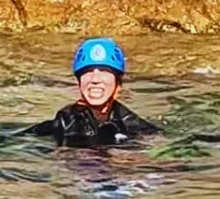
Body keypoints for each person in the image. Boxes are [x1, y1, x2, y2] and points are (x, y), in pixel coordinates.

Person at [29, 37, 159, 147]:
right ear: (78, 83)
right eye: (88, 72)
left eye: (104, 71)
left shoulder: (136, 128)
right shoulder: (64, 123)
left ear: (118, 84)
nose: (95, 79)